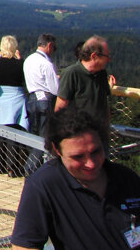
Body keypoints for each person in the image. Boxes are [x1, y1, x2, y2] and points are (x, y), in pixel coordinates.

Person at [11, 107, 140, 250]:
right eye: (78, 156)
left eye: (95, 151)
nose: (90, 164)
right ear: (57, 150)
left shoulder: (127, 178)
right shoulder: (44, 185)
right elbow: (24, 245)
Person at [0, 35, 28, 177]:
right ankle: (12, 167)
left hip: (0, 99)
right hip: (17, 99)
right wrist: (20, 59)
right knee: (13, 134)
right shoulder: (21, 64)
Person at [55, 35, 115, 126]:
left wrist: (106, 129)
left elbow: (104, 105)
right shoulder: (71, 74)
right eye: (107, 56)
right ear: (94, 56)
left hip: (98, 134)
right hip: (77, 133)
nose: (109, 60)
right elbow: (60, 109)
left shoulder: (102, 74)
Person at [23, 33, 59, 175]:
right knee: (44, 139)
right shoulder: (47, 64)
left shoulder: (28, 60)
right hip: (45, 101)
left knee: (34, 136)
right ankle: (30, 170)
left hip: (31, 99)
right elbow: (55, 89)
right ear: (49, 45)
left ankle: (33, 170)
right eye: (54, 48)